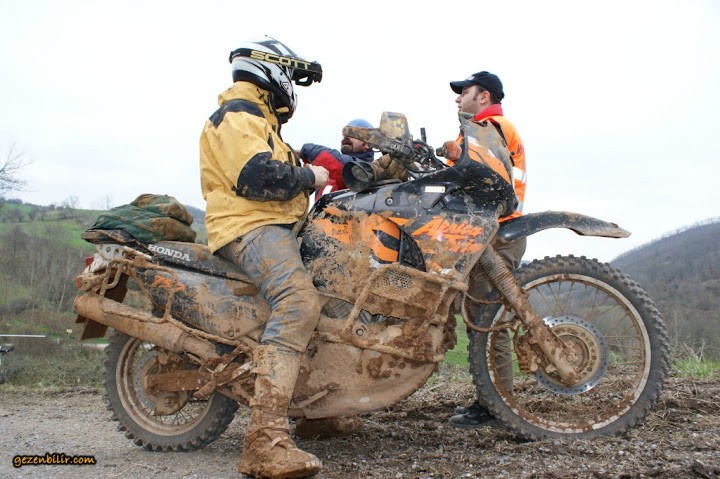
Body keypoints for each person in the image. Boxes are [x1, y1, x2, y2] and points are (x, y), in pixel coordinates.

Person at [199, 37, 329, 479]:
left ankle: (317, 411)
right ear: (271, 71)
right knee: (298, 303)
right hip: (249, 226)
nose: (290, 86)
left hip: (273, 224)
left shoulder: (260, 121)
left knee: (331, 294)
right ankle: (263, 440)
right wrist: (310, 176)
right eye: (290, 76)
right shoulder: (238, 114)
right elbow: (256, 177)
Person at [441, 71, 528, 428]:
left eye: (464, 92)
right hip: (489, 231)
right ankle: (491, 399)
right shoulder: (483, 131)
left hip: (499, 232)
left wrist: (450, 156)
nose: (457, 98)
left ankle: (497, 404)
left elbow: (474, 172)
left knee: (489, 321)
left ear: (484, 96)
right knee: (481, 317)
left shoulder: (492, 127)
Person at [299, 118, 376, 198]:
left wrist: (306, 150)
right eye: (345, 134)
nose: (346, 137)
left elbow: (336, 163)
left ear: (368, 144)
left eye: (353, 134)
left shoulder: (366, 169)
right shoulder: (326, 173)